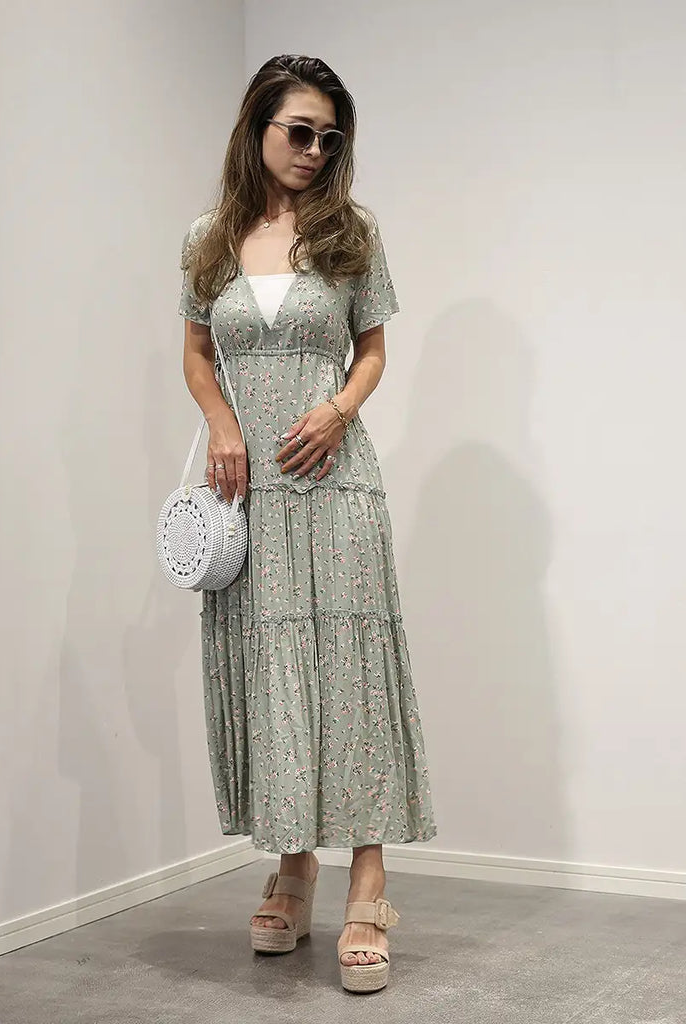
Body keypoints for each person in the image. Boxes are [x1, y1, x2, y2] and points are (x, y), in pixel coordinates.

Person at [179, 54, 437, 993]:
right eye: (299, 131)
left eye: (331, 137)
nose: (315, 150)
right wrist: (222, 425)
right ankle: (293, 867)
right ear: (257, 130)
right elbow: (195, 353)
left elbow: (372, 352)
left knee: (350, 673)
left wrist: (336, 411)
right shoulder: (209, 237)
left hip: (335, 483)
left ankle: (368, 876)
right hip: (248, 490)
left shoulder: (351, 233)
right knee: (275, 669)